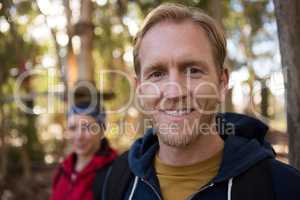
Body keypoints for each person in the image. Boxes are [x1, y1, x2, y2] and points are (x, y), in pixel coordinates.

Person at [100, 3, 300, 200]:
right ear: (140, 90)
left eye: (193, 70)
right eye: (157, 73)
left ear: (222, 84)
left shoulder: (284, 188)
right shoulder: (117, 180)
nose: (174, 92)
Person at [50, 97, 117, 200]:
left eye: (87, 128)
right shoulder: (64, 168)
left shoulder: (115, 172)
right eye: (73, 128)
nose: (79, 136)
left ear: (102, 131)